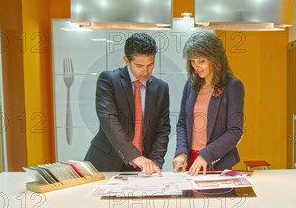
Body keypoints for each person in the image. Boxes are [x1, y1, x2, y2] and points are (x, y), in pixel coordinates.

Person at [85, 33, 170, 175]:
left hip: (143, 167)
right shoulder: (108, 80)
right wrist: (134, 156)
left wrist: (155, 161)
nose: (145, 71)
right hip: (106, 163)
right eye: (139, 65)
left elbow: (163, 129)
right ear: (126, 60)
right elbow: (109, 120)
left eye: (150, 65)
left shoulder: (161, 88)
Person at [172, 32, 244, 175]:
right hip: (191, 161)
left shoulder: (232, 86)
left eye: (201, 61)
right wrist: (181, 152)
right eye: (192, 61)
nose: (196, 66)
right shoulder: (190, 85)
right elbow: (182, 122)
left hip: (218, 160)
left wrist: (206, 155)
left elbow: (235, 131)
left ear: (215, 59)